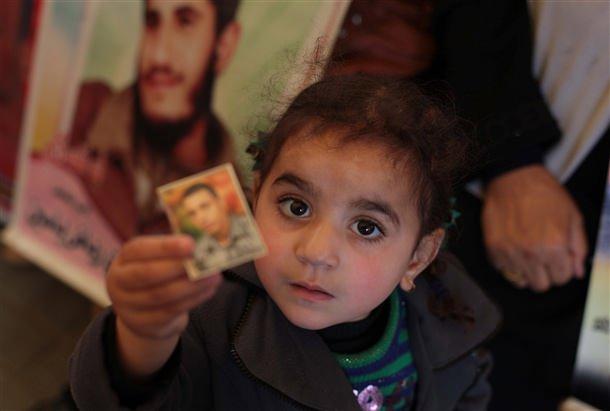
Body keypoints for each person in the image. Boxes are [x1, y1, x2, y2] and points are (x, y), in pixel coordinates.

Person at [69, 75, 500, 410]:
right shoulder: (210, 308)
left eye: (367, 228)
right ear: (257, 195)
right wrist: (143, 333)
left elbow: (469, 393)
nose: (315, 252)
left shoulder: (449, 310)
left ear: (418, 258)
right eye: (296, 207)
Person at [59, 0, 242, 240]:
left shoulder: (232, 204)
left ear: (223, 45)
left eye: (185, 22)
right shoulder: (80, 111)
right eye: (152, 22)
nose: (158, 55)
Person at [179, 182, 260, 270]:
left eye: (205, 206)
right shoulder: (197, 254)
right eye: (192, 213)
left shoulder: (256, 226)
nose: (200, 218)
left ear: (221, 202)